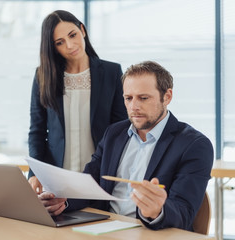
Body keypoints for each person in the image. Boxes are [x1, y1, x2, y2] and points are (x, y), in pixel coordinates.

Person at [38, 61, 214, 231]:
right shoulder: (114, 133)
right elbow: (89, 185)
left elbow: (184, 212)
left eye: (143, 98)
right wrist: (62, 200)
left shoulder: (195, 145)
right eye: (128, 98)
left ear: (167, 97)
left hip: (150, 232)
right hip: (103, 229)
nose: (133, 106)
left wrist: (157, 211)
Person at [28, 10, 127, 193]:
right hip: (55, 177)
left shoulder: (112, 72)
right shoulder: (43, 76)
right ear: (53, 47)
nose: (70, 45)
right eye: (60, 42)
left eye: (72, 35)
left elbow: (120, 129)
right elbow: (37, 131)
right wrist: (34, 173)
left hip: (99, 176)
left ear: (82, 30)